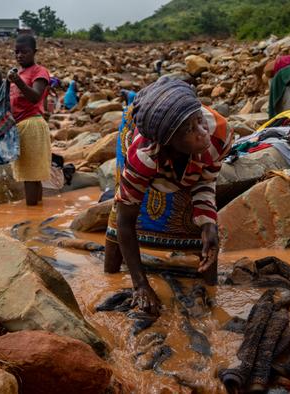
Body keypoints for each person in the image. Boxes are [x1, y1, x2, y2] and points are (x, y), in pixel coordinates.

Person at [104, 77, 233, 316]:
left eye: (199, 120)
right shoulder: (143, 156)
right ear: (169, 143)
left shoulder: (219, 134)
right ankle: (112, 273)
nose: (202, 132)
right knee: (117, 222)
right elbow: (125, 219)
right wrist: (141, 285)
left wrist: (208, 223)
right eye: (190, 130)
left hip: (180, 163)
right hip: (150, 161)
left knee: (205, 236)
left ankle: (211, 291)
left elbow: (206, 181)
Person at [7, 35, 52, 206]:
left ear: (34, 52)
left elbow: (35, 97)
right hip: (20, 125)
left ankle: (31, 220)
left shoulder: (38, 71)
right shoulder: (17, 73)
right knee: (31, 174)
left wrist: (17, 81)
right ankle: (36, 215)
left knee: (30, 175)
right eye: (17, 52)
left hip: (32, 124)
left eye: (24, 52)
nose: (19, 55)